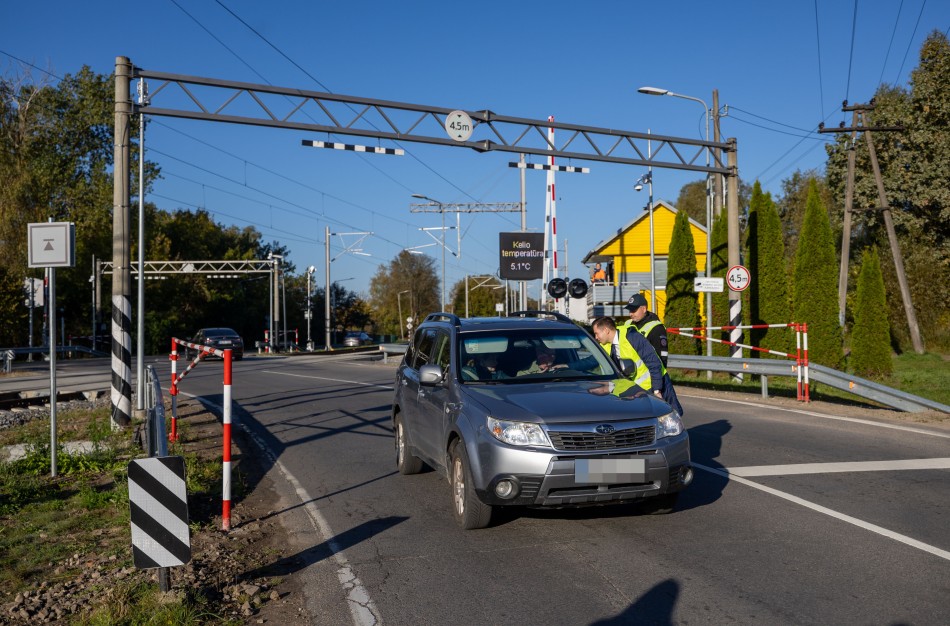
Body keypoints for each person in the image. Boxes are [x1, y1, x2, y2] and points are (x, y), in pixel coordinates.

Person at [623, 294, 683, 416]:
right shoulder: (627, 325)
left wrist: (657, 386)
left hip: (653, 379)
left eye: (634, 310)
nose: (631, 314)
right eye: (630, 310)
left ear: (644, 309)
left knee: (669, 414)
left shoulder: (656, 328)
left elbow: (662, 358)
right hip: (634, 379)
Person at [591, 316, 663, 399]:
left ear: (606, 330)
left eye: (596, 333)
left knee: (673, 410)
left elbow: (653, 362)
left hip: (653, 385)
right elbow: (592, 361)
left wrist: (657, 390)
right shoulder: (605, 345)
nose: (596, 337)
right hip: (632, 390)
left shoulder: (632, 337)